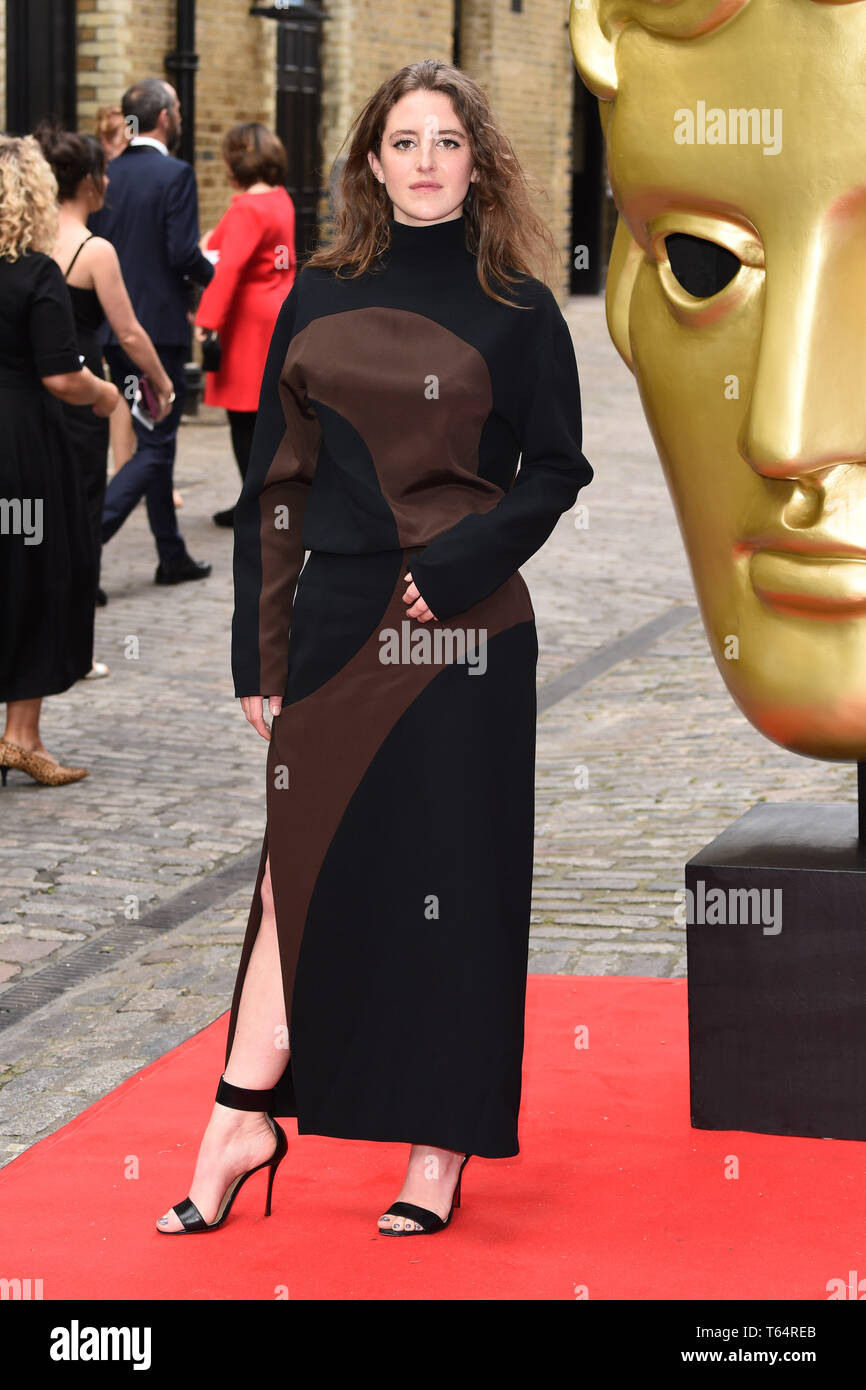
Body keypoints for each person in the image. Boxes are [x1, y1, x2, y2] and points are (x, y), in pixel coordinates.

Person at [156, 60, 593, 1236]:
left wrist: (455, 566)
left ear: (477, 159)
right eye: (402, 142)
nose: (424, 162)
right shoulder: (323, 291)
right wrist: (263, 650)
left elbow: (554, 469)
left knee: (452, 878)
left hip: (462, 635)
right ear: (368, 162)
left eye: (445, 141)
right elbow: (277, 485)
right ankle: (242, 1114)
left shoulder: (519, 307)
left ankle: (437, 1148)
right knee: (290, 873)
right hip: (340, 624)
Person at [0, 136, 119, 787]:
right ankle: (22, 737)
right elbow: (62, 376)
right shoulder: (35, 271)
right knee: (34, 571)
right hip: (21, 446)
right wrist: (103, 395)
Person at [36, 122, 174, 660]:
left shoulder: (24, 240)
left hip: (33, 395)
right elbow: (130, 333)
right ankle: (71, 645)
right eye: (105, 175)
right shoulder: (94, 250)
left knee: (33, 518)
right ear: (90, 182)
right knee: (79, 515)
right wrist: (161, 381)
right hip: (83, 396)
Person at [88, 77, 213, 586]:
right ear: (163, 117)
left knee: (154, 438)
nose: (179, 114)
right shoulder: (175, 174)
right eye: (178, 107)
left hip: (113, 331)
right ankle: (84, 539)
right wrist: (214, 275)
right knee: (156, 446)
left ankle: (172, 554)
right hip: (155, 334)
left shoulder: (107, 174)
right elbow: (182, 253)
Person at [194, 122, 296, 528]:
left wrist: (206, 321)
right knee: (267, 414)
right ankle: (264, 499)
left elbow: (229, 269)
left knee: (244, 415)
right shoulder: (278, 199)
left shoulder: (246, 209)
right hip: (277, 309)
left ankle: (252, 504)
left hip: (248, 321)